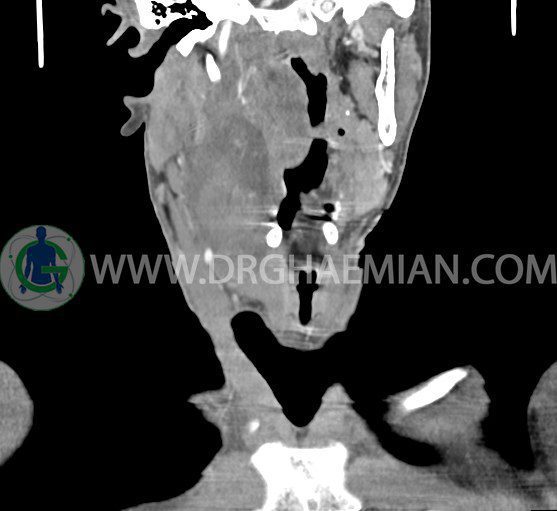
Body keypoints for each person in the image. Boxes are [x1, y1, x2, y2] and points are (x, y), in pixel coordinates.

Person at [19, 226, 63, 294]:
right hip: (45, 279)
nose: (41, 235)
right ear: (45, 235)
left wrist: (24, 283)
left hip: (36, 279)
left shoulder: (31, 249)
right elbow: (53, 267)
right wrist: (57, 283)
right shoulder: (51, 249)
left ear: (36, 235)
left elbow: (28, 267)